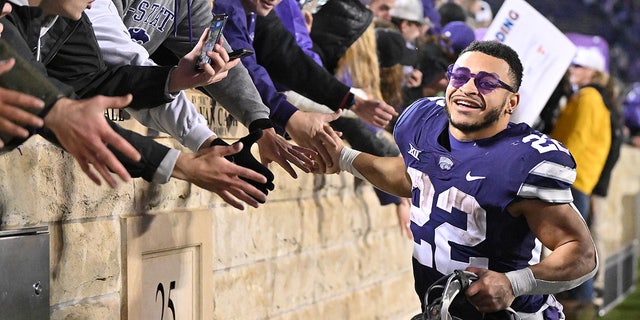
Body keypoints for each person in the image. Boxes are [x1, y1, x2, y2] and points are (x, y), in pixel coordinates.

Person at [315, 40, 598, 319]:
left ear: (511, 101)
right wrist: (342, 157)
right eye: (460, 76)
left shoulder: (522, 160)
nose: (468, 88)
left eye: (487, 82)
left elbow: (581, 254)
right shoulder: (423, 120)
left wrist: (514, 283)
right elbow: (409, 176)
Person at [1, 0, 271, 209]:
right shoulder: (7, 21)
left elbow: (96, 81)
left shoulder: (66, 18)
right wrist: (184, 166)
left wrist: (173, 78)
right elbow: (60, 110)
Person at [85, 0, 317, 179]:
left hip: (109, 85)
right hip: (75, 87)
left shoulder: (190, 3)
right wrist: (205, 140)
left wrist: (261, 124)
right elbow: (124, 63)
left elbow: (223, 60)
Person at [550, 46, 611, 311]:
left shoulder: (588, 98)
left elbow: (577, 138)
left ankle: (580, 308)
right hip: (578, 180)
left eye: (579, 67)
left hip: (572, 180)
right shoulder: (593, 98)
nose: (573, 71)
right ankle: (580, 306)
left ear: (594, 73)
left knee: (574, 248)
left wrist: (555, 169)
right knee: (576, 246)